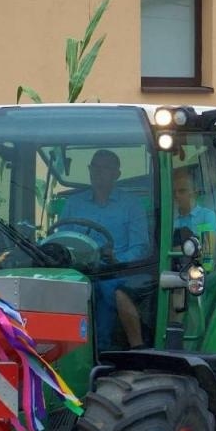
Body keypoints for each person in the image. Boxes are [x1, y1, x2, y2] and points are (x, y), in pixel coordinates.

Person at [62, 149, 152, 349]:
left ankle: (113, 349)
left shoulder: (131, 205)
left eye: (106, 168)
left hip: (117, 270)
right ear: (89, 170)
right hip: (79, 270)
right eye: (95, 167)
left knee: (106, 290)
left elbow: (140, 247)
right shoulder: (73, 203)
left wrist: (116, 258)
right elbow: (62, 239)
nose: (99, 172)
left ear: (117, 174)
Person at [171, 166, 216, 263]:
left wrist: (174, 249)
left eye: (182, 191)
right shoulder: (170, 220)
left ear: (194, 192)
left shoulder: (207, 216)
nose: (176, 195)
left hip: (201, 272)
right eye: (174, 192)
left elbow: (207, 251)